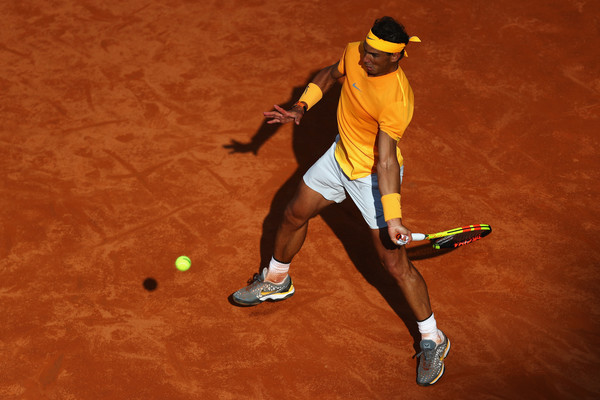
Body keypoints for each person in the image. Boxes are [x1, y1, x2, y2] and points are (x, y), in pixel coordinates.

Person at [232, 16, 450, 387]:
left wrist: (393, 218)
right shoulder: (355, 53)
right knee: (292, 214)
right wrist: (302, 106)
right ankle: (276, 280)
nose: (364, 59)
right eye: (365, 50)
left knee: (394, 265)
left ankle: (434, 338)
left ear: (395, 59)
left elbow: (384, 160)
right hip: (338, 158)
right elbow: (328, 75)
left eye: (374, 56)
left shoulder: (396, 99)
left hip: (372, 178)